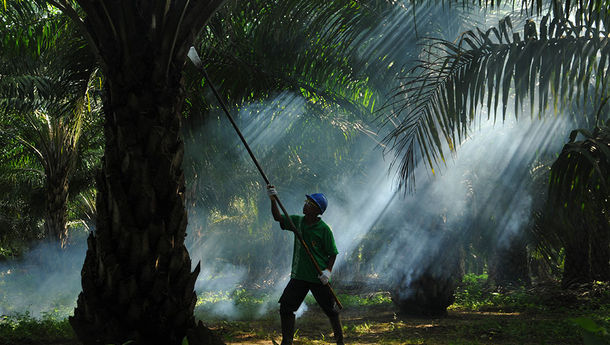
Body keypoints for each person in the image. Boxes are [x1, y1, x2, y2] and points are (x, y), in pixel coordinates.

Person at [267, 185, 344, 345]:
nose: (305, 205)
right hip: (299, 276)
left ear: (317, 210)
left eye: (309, 204)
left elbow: (333, 253)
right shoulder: (297, 221)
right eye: (306, 201)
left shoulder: (324, 230)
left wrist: (327, 272)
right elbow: (278, 218)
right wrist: (273, 200)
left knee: (331, 311)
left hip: (318, 277)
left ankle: (340, 341)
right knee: (286, 308)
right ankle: (287, 341)